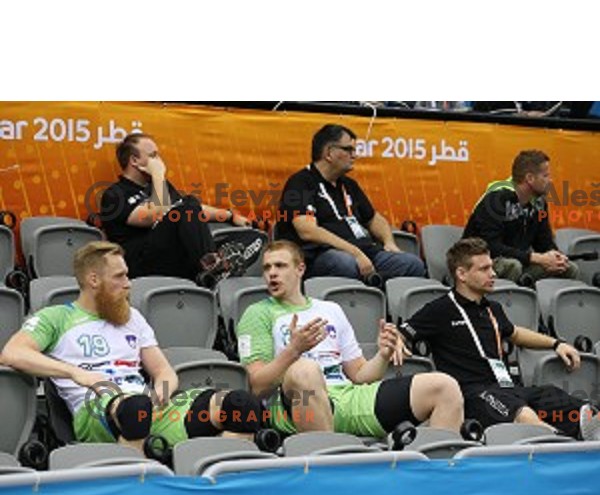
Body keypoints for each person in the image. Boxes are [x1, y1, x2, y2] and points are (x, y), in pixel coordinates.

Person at [0, 241, 276, 453]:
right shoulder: (56, 317)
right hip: (97, 410)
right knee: (135, 411)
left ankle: (214, 490)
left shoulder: (132, 317)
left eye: (127, 276)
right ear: (94, 280)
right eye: (119, 277)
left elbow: (164, 372)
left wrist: (163, 392)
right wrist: (75, 373)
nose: (128, 284)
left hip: (148, 406)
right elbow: (12, 353)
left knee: (242, 407)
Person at [236, 240, 464, 440]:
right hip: (296, 405)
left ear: (300, 269)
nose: (271, 273)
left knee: (445, 386)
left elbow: (360, 374)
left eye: (280, 266)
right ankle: (326, 474)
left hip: (346, 397)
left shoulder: (330, 309)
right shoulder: (256, 314)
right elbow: (256, 386)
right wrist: (294, 350)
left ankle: (439, 477)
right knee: (305, 370)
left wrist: (383, 355)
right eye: (266, 268)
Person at [398, 237, 599, 440]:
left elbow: (515, 334)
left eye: (492, 267)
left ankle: (585, 433)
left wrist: (556, 343)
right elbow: (402, 333)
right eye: (484, 269)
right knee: (524, 414)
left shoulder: (492, 309)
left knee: (559, 399)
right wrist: (397, 343)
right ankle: (563, 446)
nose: (493, 273)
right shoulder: (439, 310)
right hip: (472, 396)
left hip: (507, 388)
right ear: (461, 274)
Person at [276, 124, 425, 283]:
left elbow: (374, 218)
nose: (355, 155)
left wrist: (389, 242)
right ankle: (370, 286)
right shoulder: (300, 183)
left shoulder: (349, 185)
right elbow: (307, 230)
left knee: (412, 264)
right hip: (323, 256)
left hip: (364, 253)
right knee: (345, 263)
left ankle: (374, 288)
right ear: (329, 153)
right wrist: (355, 252)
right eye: (349, 150)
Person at [100, 133, 253, 284]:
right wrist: (158, 174)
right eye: (153, 156)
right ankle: (213, 268)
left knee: (250, 237)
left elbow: (194, 211)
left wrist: (230, 216)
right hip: (142, 264)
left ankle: (217, 267)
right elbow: (155, 215)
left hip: (175, 257)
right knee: (187, 205)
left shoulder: (160, 187)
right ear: (134, 160)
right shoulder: (115, 195)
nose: (159, 161)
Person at [463, 150, 579, 284]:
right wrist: (534, 258)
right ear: (530, 178)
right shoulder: (496, 199)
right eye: (546, 176)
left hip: (519, 261)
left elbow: (544, 241)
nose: (550, 180)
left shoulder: (540, 203)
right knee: (512, 267)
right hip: (478, 263)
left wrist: (556, 257)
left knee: (568, 269)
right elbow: (492, 246)